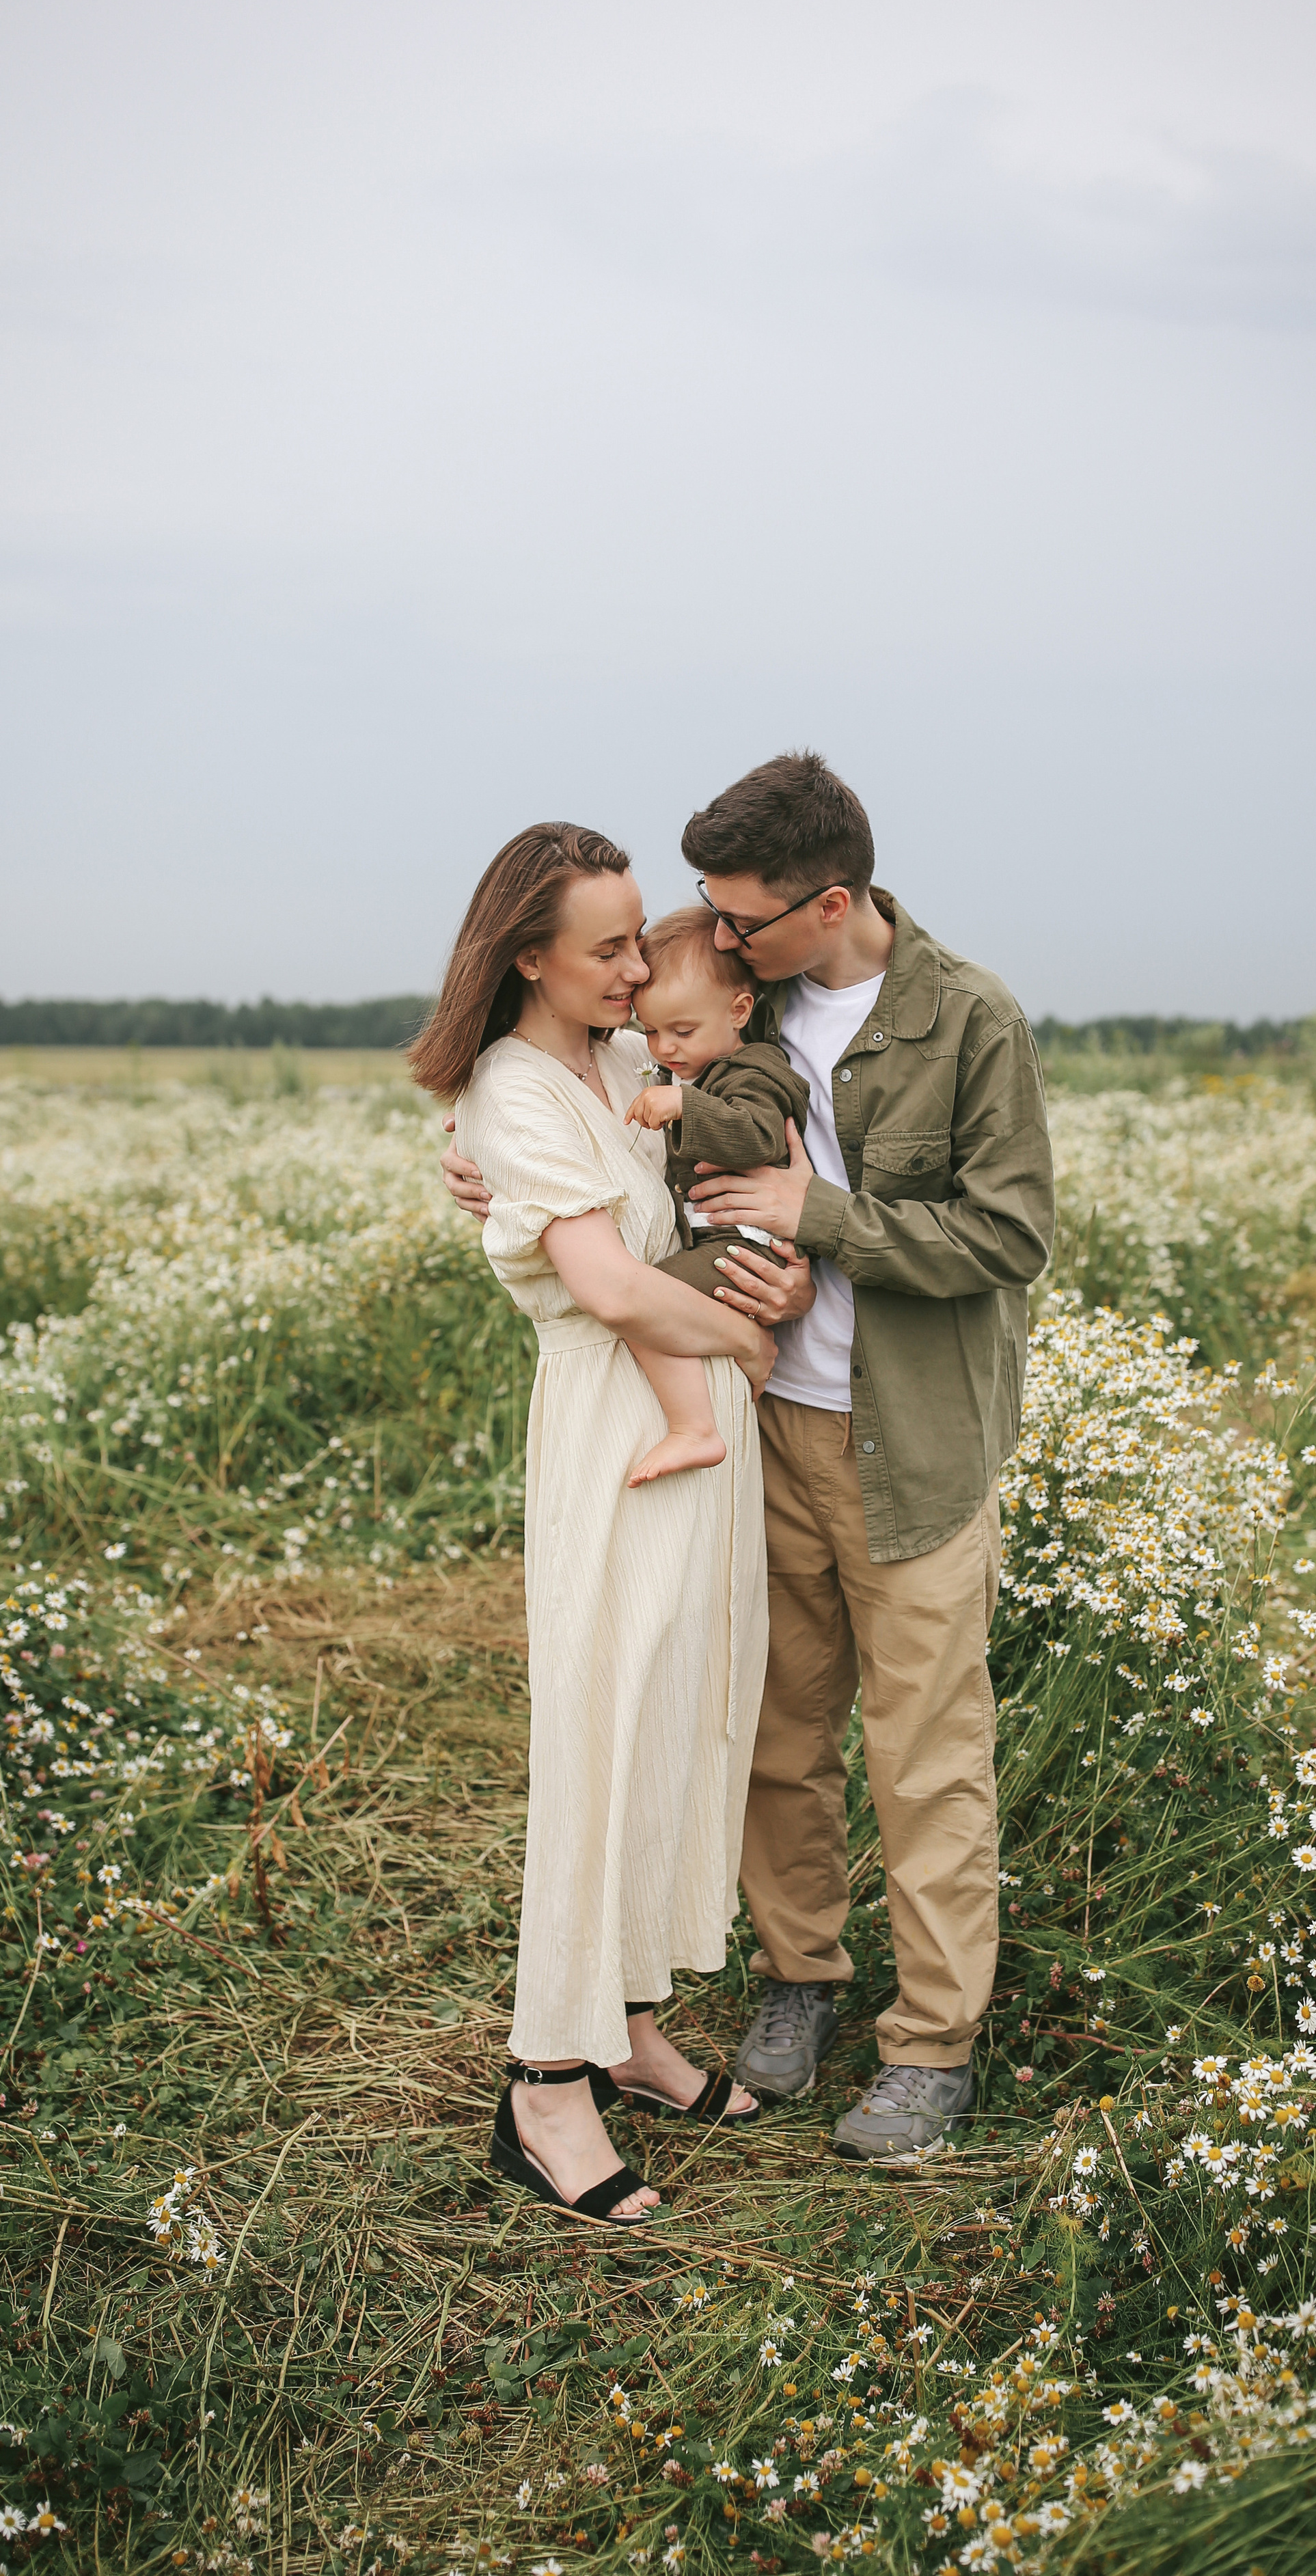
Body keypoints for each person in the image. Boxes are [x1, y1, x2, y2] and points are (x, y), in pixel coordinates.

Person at [444, 756, 1055, 2168]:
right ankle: (797, 1983)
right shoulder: (720, 1003)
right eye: (702, 918)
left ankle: (929, 2048)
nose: (713, 938)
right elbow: (567, 1111)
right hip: (760, 1436)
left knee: (924, 1754)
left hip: (910, 1438)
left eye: (739, 920)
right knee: (770, 1739)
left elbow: (1008, 1239)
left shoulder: (968, 1022)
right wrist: (472, 1161)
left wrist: (819, 1218)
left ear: (826, 902)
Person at [412, 823, 809, 2227]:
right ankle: (543, 2084)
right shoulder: (515, 1089)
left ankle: (629, 2026)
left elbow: (705, 1173)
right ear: (528, 955)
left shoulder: (630, 1060)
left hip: (689, 1435)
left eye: (642, 939)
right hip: (612, 1437)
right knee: (595, 1744)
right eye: (608, 947)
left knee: (673, 1725)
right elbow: (616, 1293)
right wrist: (743, 1350)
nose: (639, 968)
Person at [618, 905, 812, 1489]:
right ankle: (713, 1410)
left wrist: (685, 1107)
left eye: (681, 1031)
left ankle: (694, 1427)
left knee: (644, 1301)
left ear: (739, 1011)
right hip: (726, 1241)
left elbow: (755, 1134)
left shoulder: (754, 1070)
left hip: (749, 1247)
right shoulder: (695, 1067)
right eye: (650, 1031)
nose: (664, 1048)